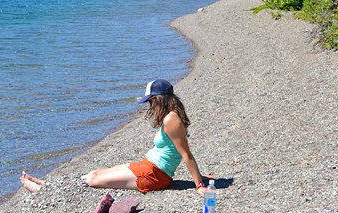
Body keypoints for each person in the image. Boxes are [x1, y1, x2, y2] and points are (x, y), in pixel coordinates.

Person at [20, 79, 208, 194]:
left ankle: (43, 191)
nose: (150, 106)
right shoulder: (171, 116)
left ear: (159, 99)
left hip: (154, 175)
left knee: (94, 180)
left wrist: (198, 184)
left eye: (151, 101)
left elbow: (186, 155)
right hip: (148, 166)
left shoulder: (171, 119)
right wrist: (200, 176)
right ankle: (48, 185)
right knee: (96, 172)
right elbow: (177, 151)